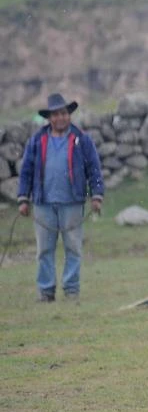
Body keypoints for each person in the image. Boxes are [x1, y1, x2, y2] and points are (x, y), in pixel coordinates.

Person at [17, 93, 104, 303]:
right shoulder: (37, 140)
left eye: (64, 113)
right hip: (43, 203)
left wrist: (97, 196)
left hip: (72, 202)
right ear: (49, 118)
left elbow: (94, 168)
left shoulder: (81, 140)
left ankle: (71, 289)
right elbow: (26, 170)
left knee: (73, 248)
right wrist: (23, 198)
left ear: (69, 115)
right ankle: (46, 291)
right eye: (55, 114)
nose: (60, 118)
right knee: (44, 249)